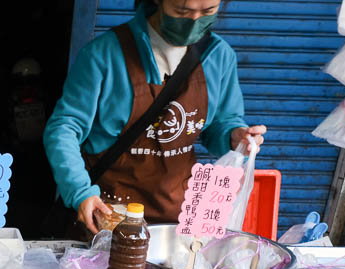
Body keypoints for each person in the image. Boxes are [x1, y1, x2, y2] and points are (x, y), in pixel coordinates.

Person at [43, 0, 266, 235]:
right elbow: (64, 128)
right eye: (182, 11)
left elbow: (222, 122)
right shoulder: (104, 54)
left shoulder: (218, 56)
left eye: (208, 11)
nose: (194, 21)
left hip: (177, 221)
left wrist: (234, 135)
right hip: (107, 217)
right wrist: (80, 192)